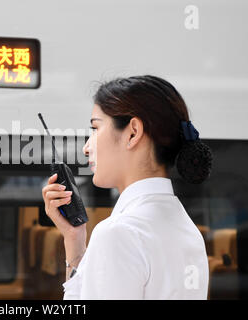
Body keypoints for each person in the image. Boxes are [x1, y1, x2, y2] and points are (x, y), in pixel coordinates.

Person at [42, 75, 213, 299]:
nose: (86, 147)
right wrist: (74, 239)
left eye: (95, 128)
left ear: (133, 132)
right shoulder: (188, 229)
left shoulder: (119, 233)